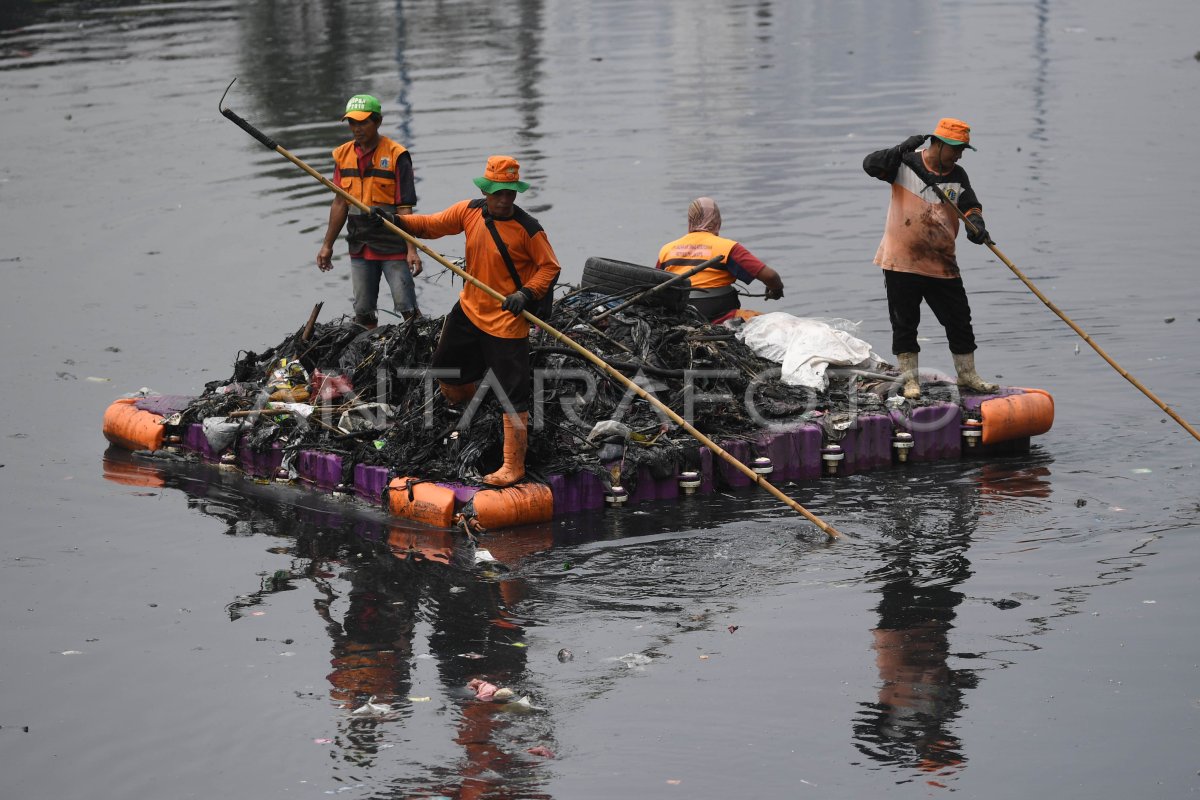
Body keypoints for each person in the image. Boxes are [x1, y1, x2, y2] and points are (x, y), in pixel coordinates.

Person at [375, 155, 560, 487]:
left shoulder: (529, 229)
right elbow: (431, 225)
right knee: (446, 369)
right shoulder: (470, 211)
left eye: (510, 193)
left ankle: (512, 465)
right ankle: (471, 415)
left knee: (512, 394)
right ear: (487, 189)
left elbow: (549, 267)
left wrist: (526, 294)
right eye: (498, 192)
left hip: (506, 319)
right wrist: (394, 221)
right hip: (470, 309)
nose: (504, 199)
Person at [863, 117, 998, 399]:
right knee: (905, 323)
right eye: (956, 149)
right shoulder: (903, 164)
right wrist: (900, 149)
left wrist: (978, 225)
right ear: (937, 144)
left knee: (960, 321)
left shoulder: (957, 175)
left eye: (962, 150)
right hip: (902, 262)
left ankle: (968, 375)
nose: (959, 155)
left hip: (942, 264)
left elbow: (970, 206)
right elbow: (870, 165)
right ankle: (910, 381)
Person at [316, 93, 423, 328]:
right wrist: (327, 245)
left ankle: (419, 352)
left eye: (363, 122)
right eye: (352, 123)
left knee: (408, 309)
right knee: (363, 312)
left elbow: (405, 208)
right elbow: (340, 203)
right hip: (360, 244)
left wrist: (411, 250)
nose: (357, 128)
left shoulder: (397, 155)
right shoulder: (342, 155)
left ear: (378, 121)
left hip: (392, 244)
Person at [654, 197, 785, 323]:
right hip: (716, 315)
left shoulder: (667, 249)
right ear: (717, 221)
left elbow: (656, 286)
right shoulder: (728, 248)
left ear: (690, 221)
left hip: (679, 314)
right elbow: (771, 276)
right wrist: (776, 290)